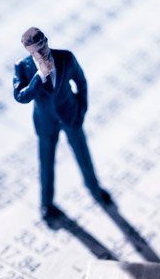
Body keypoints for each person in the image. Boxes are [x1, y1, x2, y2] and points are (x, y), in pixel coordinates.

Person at [13, 27, 111, 225]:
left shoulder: (66, 57)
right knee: (46, 162)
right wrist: (39, 77)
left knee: (83, 153)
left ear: (46, 41)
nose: (41, 54)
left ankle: (95, 189)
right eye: (35, 51)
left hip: (71, 114)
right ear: (28, 51)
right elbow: (21, 96)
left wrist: (81, 108)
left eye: (42, 47)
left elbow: (81, 82)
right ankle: (46, 204)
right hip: (45, 122)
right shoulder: (23, 67)